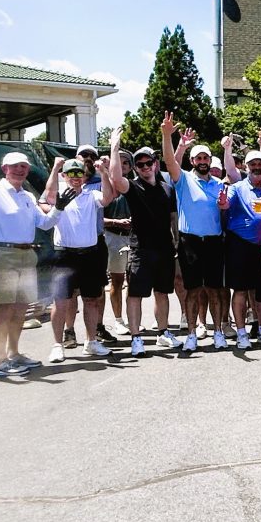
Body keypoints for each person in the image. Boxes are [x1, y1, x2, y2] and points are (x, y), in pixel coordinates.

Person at [0, 151, 65, 376]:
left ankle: (14, 354)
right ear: (5, 168)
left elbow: (45, 224)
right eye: (15, 166)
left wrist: (59, 207)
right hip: (2, 254)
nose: (20, 170)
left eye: (24, 167)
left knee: (20, 309)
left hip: (27, 255)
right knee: (5, 310)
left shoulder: (27, 196)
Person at [107, 130, 182, 357]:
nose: (145, 167)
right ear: (136, 168)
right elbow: (115, 179)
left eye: (149, 162)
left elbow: (172, 218)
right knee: (135, 295)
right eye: (140, 164)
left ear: (155, 164)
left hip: (165, 249)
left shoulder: (167, 188)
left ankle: (163, 333)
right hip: (141, 250)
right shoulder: (132, 187)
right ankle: (136, 338)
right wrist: (114, 146)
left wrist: (177, 242)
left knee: (162, 293)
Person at [161, 113, 229, 354]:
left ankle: (218, 332)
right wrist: (167, 136)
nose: (202, 160)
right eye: (198, 157)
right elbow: (169, 162)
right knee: (193, 290)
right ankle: (191, 333)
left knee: (214, 290)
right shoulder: (183, 179)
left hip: (213, 242)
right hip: (190, 242)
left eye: (206, 157)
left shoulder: (219, 185)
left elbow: (223, 217)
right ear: (192, 160)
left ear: (210, 161)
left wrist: (224, 209)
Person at [46, 157, 115, 362]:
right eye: (71, 173)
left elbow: (108, 198)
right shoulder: (59, 195)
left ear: (84, 176)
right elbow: (49, 196)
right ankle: (58, 345)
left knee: (91, 300)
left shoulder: (91, 194)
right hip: (64, 254)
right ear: (64, 176)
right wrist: (56, 167)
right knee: (61, 302)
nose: (76, 177)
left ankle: (91, 342)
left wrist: (103, 172)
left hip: (90, 254)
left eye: (79, 173)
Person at [225, 150, 261, 348]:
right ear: (246, 167)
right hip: (239, 244)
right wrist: (222, 203)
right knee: (240, 290)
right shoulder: (237, 188)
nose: (256, 167)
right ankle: (241, 333)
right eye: (252, 164)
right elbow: (225, 203)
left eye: (260, 164)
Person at [102, 151, 133, 335]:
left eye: (125, 163)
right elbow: (98, 217)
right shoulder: (106, 186)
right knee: (117, 279)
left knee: (134, 281)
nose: (122, 166)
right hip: (113, 236)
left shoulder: (135, 185)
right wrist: (116, 222)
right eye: (118, 162)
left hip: (134, 237)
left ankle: (131, 318)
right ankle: (118, 319)